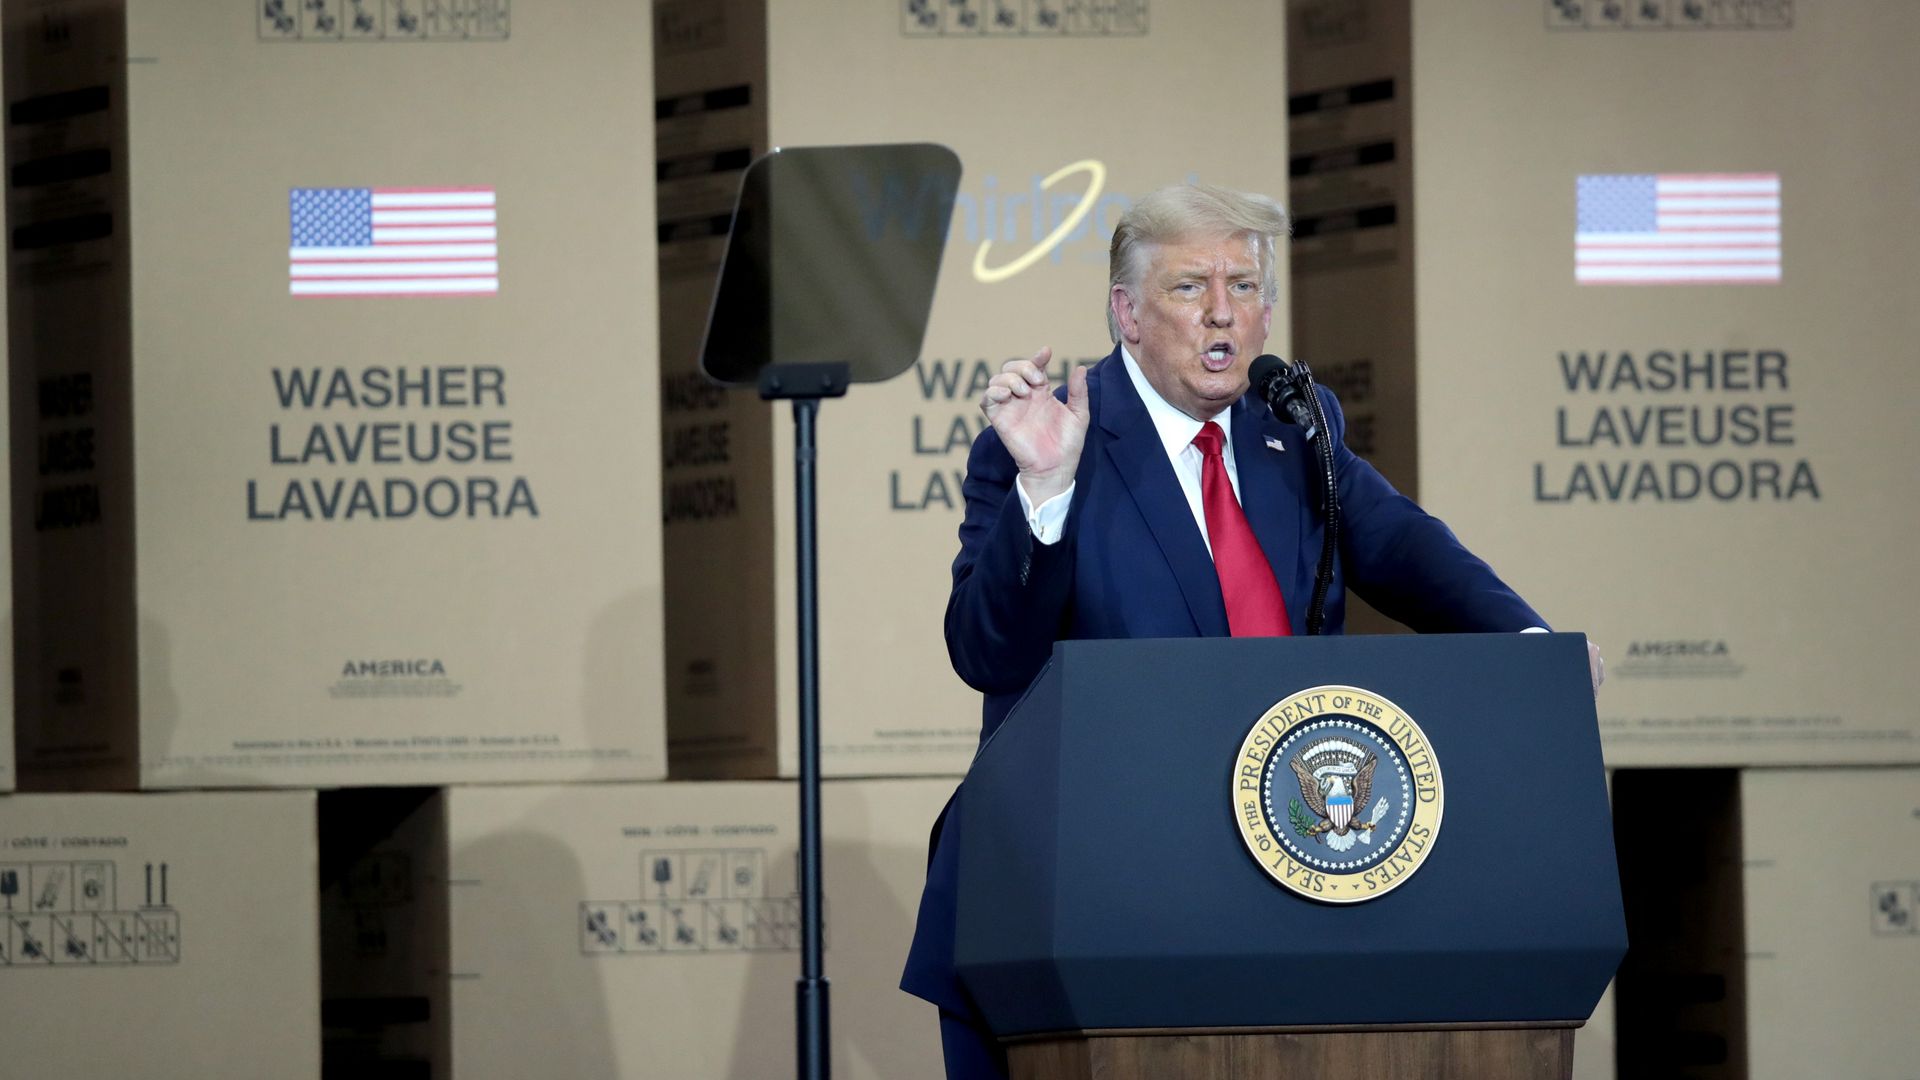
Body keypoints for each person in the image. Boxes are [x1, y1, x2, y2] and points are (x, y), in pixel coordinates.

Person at [900, 183, 1603, 1079]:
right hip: (1074, 902)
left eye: (1245, 285)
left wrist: (1531, 651)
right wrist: (1047, 492)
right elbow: (984, 651)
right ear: (1127, 312)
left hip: (1270, 891)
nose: (1223, 313)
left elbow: (1401, 545)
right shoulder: (1048, 438)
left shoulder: (1294, 428)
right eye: (1190, 288)